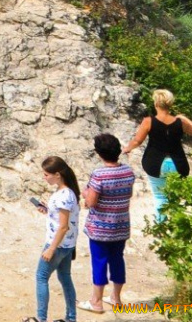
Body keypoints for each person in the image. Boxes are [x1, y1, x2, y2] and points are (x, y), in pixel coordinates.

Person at [123, 89, 192, 222]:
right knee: (175, 197)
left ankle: (161, 225)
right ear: (170, 104)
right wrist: (184, 118)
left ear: (156, 104)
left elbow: (137, 141)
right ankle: (177, 225)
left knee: (160, 197)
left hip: (155, 164)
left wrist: (127, 148)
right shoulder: (180, 122)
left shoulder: (148, 121)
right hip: (177, 164)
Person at [81, 133, 135, 313]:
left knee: (99, 262)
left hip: (100, 228)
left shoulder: (99, 174)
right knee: (117, 260)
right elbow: (128, 195)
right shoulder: (128, 171)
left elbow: (91, 202)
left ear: (99, 153)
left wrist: (85, 193)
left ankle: (96, 301)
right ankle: (116, 298)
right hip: (120, 225)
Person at [33, 156, 81, 322]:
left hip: (58, 244)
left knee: (41, 277)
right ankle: (71, 317)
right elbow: (62, 219)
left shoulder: (63, 195)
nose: (44, 177)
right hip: (68, 244)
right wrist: (47, 210)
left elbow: (63, 226)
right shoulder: (69, 192)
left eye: (46, 174)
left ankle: (41, 318)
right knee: (65, 277)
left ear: (58, 174)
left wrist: (51, 248)